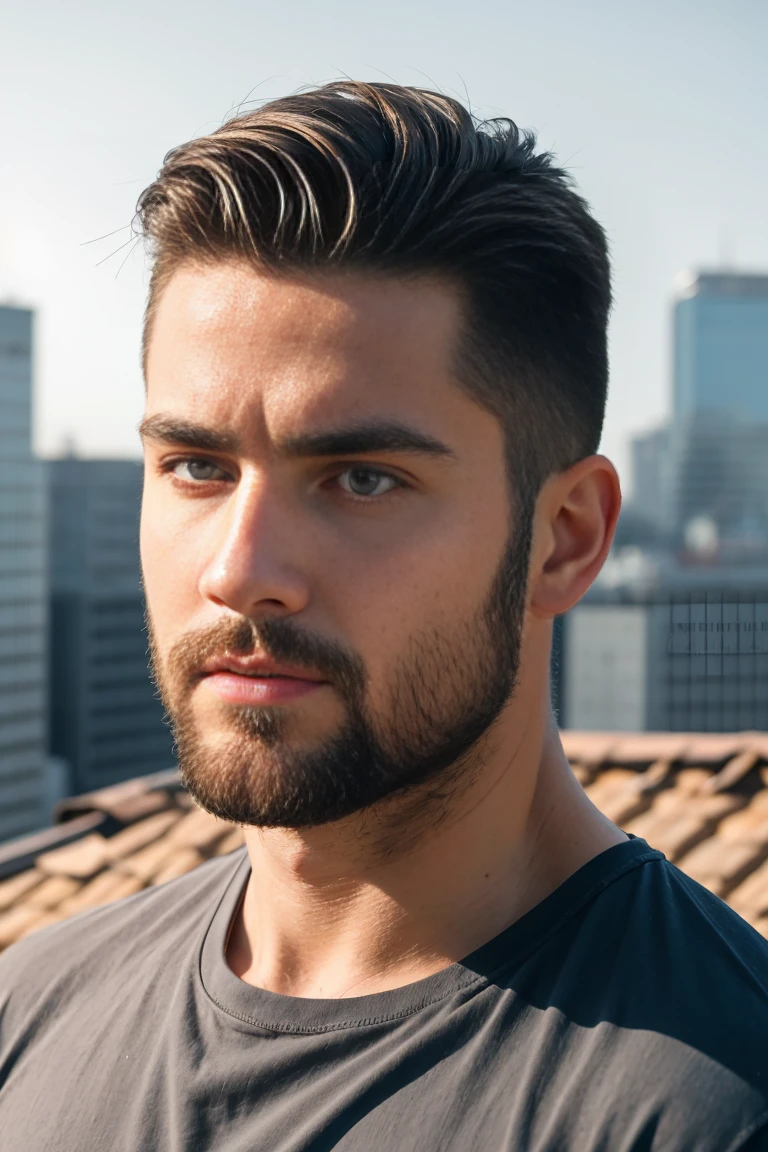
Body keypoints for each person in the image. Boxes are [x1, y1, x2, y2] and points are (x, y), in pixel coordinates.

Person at [1, 81, 767, 1152]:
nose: (241, 572)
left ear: (566, 537)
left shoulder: (715, 1104)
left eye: (362, 479)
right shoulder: (31, 1009)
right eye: (196, 467)